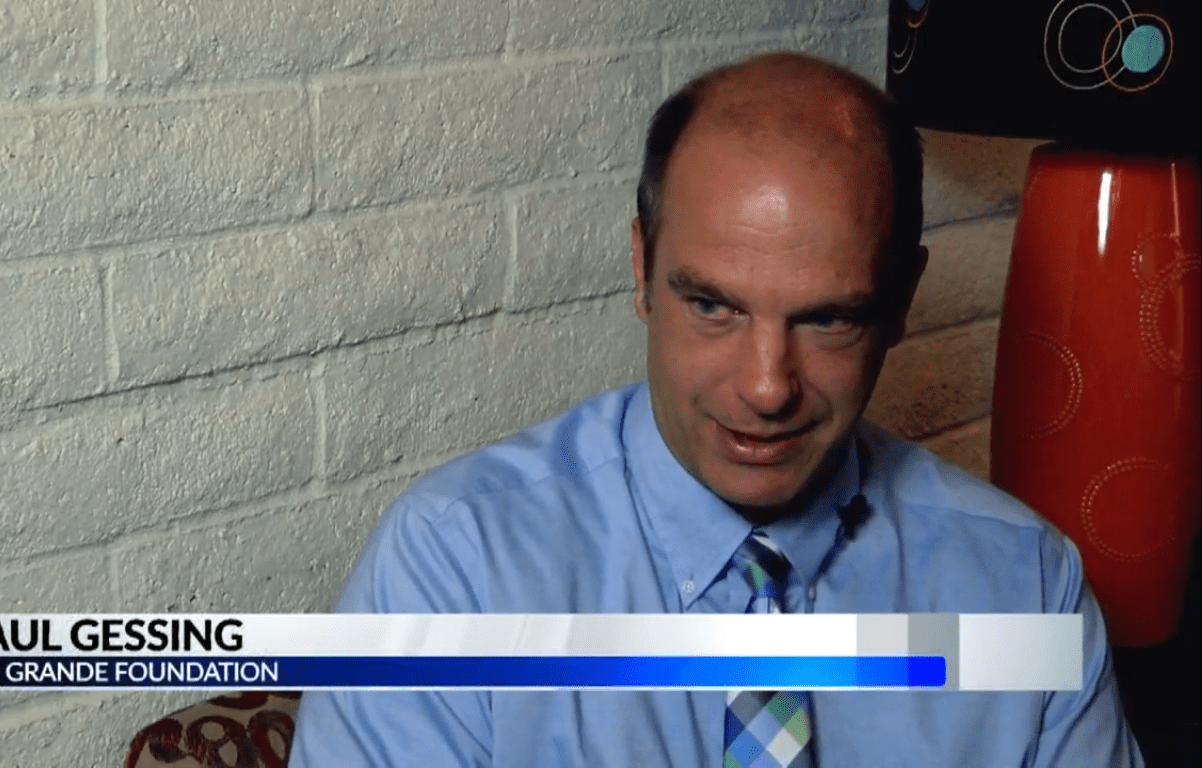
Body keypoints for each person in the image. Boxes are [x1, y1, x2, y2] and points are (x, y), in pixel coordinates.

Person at [289, 52, 1142, 767]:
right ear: (641, 269)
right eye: (713, 306)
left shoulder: (1026, 587)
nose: (767, 388)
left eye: (829, 318)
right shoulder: (456, 572)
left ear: (900, 302)